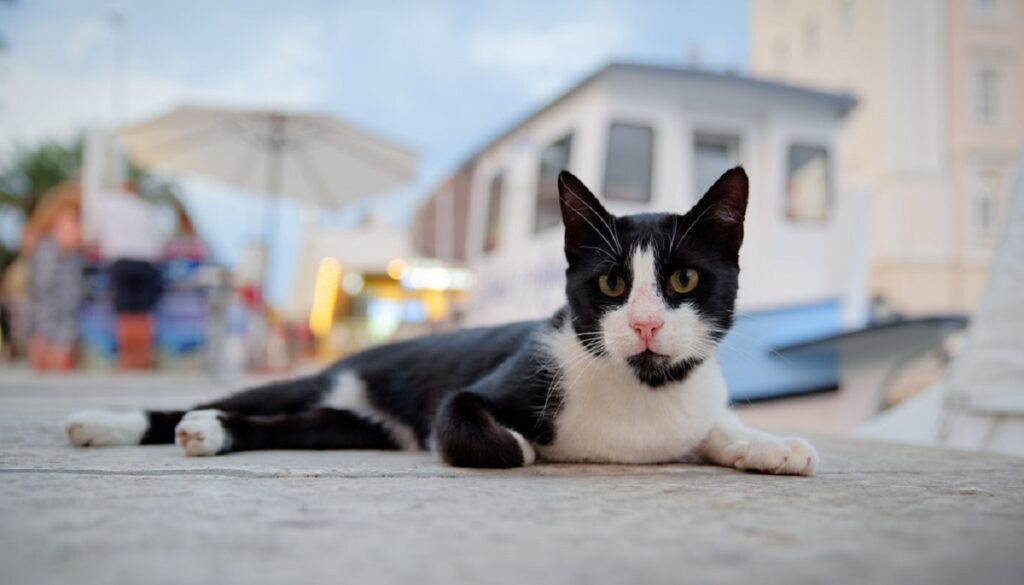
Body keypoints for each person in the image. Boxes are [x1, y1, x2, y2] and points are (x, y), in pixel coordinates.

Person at [95, 184, 169, 369]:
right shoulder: (147, 209)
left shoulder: (108, 205)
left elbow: (96, 233)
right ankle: (142, 359)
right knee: (144, 313)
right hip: (147, 262)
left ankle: (126, 360)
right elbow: (160, 240)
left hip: (122, 262)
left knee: (125, 313)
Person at [21, 187, 84, 370]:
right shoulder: (66, 216)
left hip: (49, 297)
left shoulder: (42, 233)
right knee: (58, 351)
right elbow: (68, 241)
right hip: (58, 298)